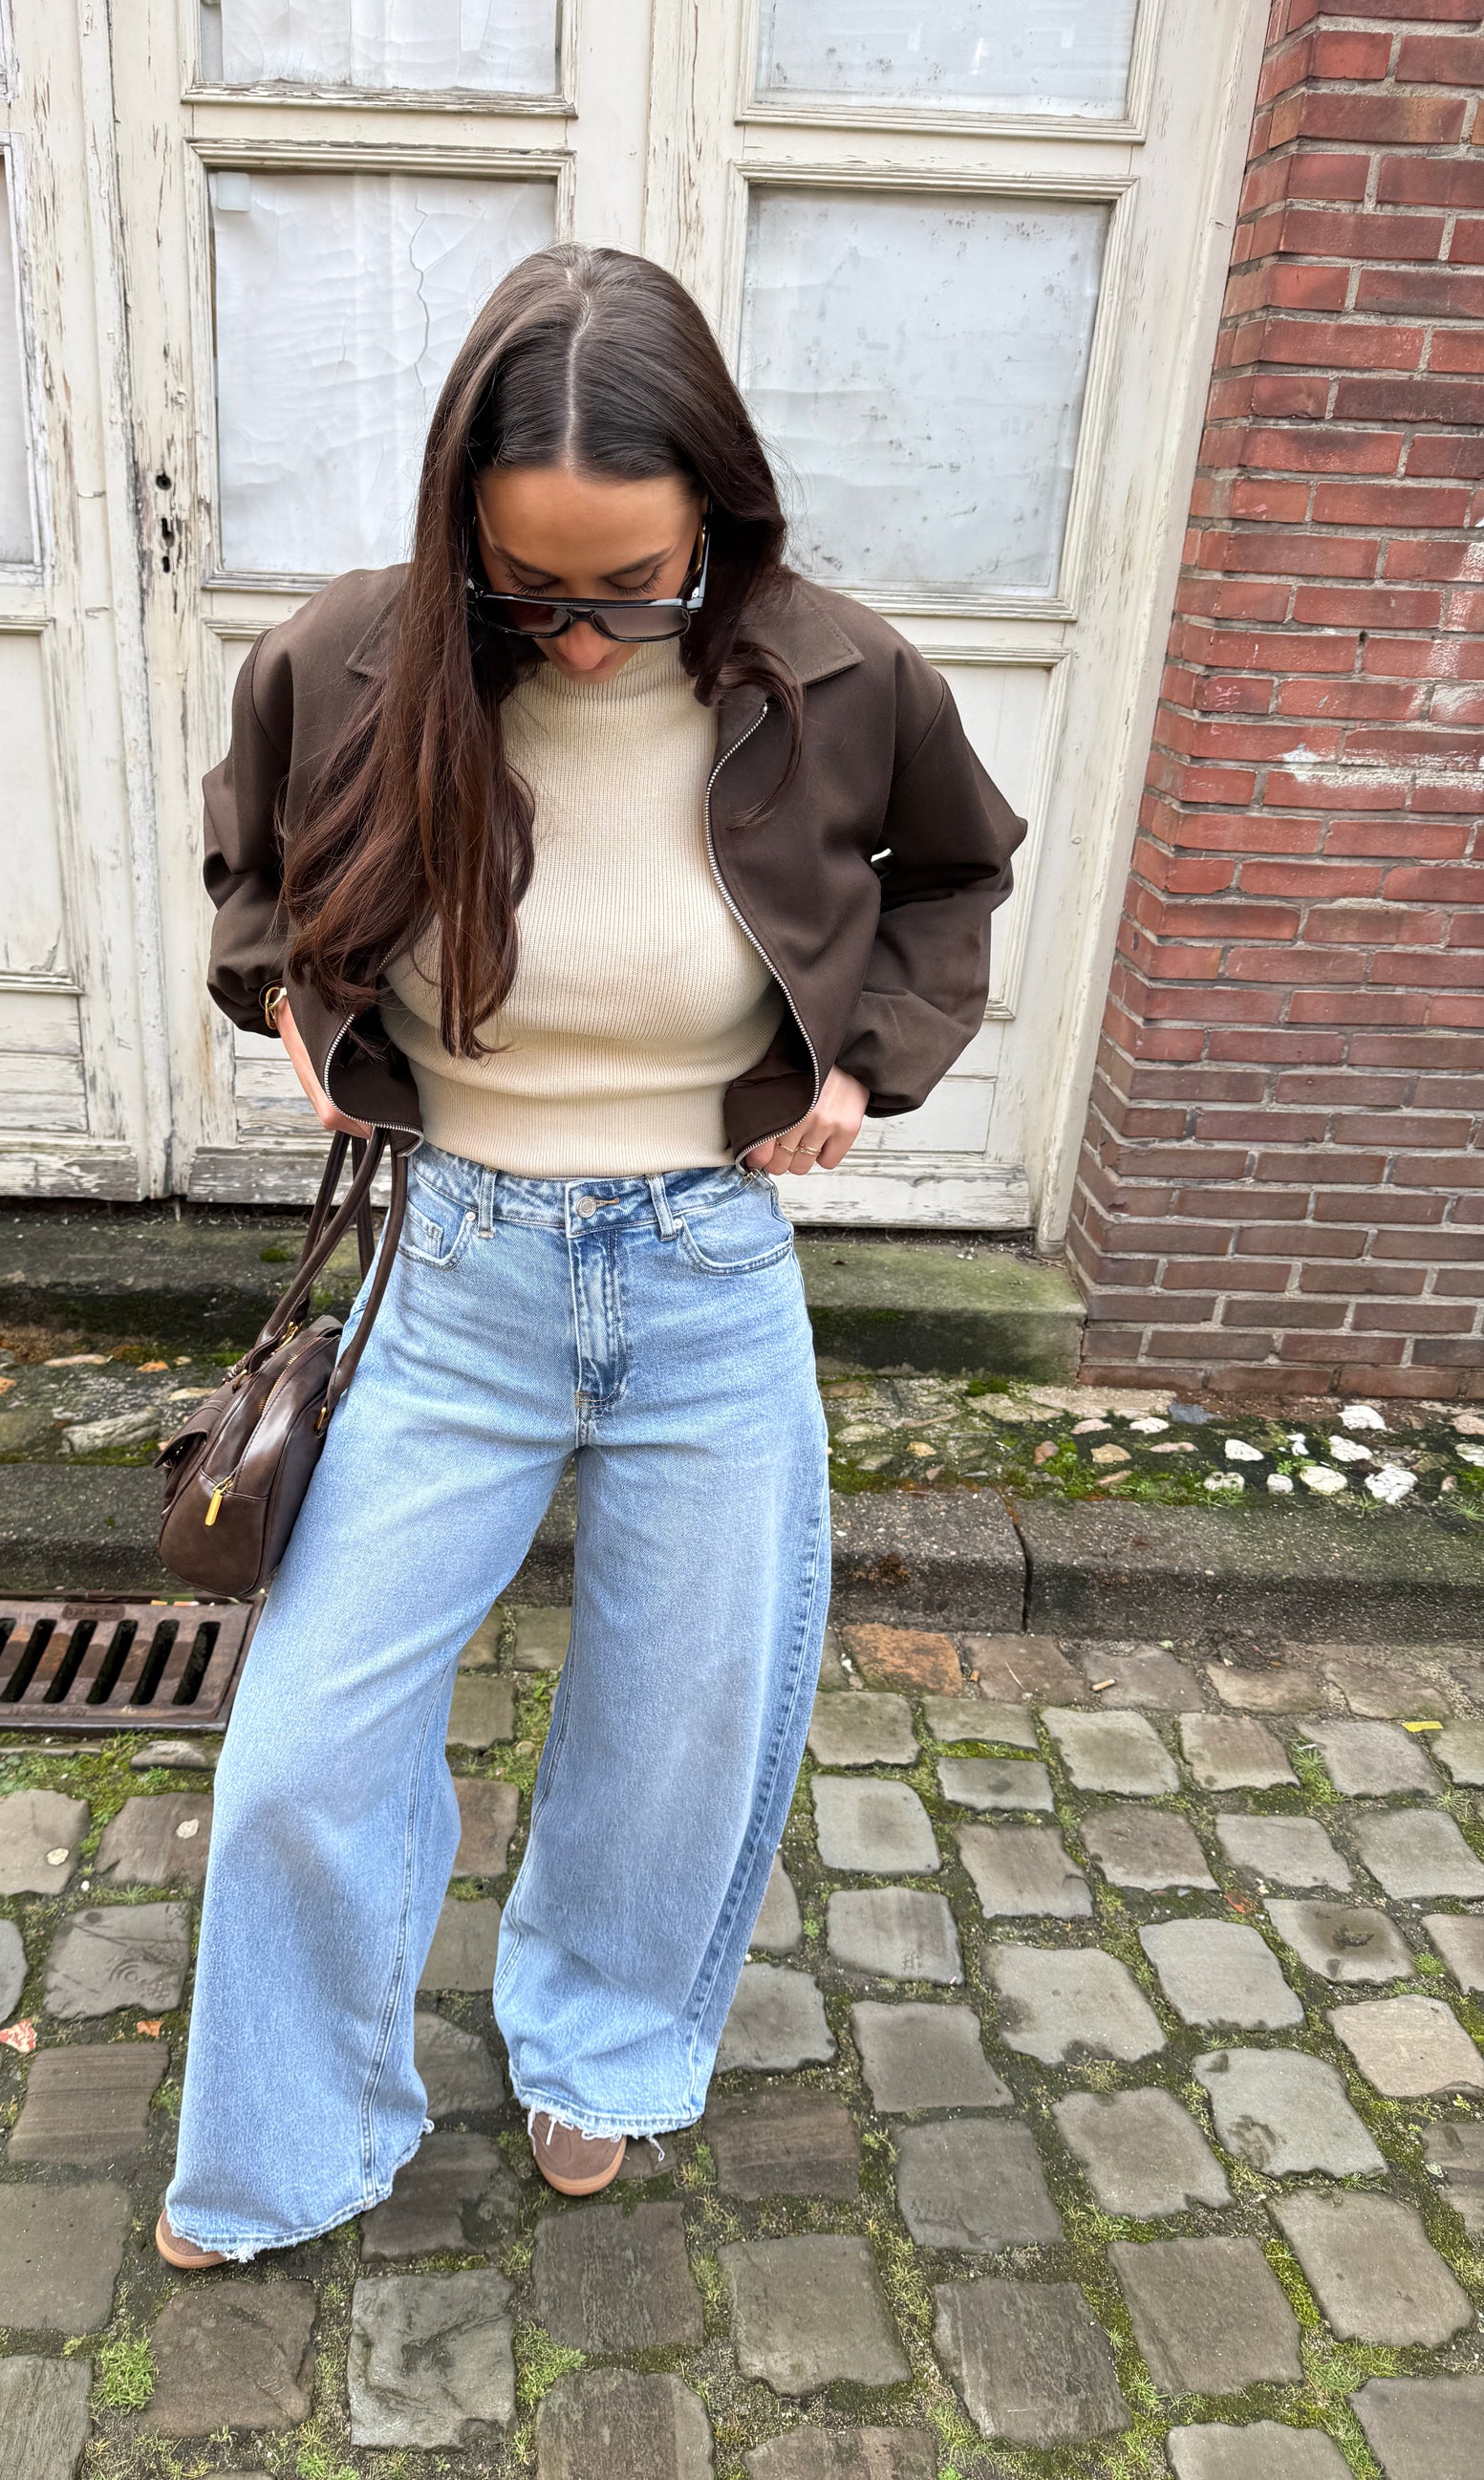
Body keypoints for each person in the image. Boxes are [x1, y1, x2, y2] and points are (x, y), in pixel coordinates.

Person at [159, 243, 1023, 2265]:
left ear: (716, 508)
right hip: (454, 1276)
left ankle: (601, 2052)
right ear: (457, 524)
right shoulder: (349, 659)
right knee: (302, 1746)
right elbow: (247, 869)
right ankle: (288, 2136)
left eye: (629, 584)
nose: (573, 633)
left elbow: (953, 875)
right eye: (521, 583)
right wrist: (292, 1006)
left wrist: (865, 1064)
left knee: (675, 1727)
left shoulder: (840, 675)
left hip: (706, 1275)